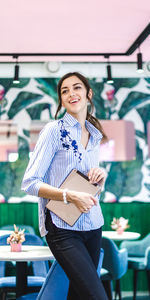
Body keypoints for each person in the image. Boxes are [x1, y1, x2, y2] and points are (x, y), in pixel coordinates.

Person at [21, 72, 109, 300]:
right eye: (65, 90)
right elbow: (30, 183)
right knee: (96, 296)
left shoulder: (94, 134)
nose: (71, 94)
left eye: (77, 88)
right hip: (62, 228)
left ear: (88, 94)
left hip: (93, 224)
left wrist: (101, 177)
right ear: (61, 100)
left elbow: (90, 187)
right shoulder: (53, 130)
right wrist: (70, 196)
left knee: (79, 295)